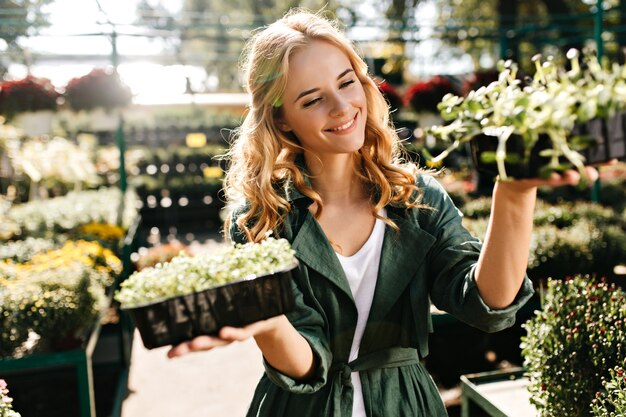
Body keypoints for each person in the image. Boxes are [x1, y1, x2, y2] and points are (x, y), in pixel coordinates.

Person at [167, 9, 600, 416]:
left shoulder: (416, 199)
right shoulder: (263, 217)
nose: (341, 107)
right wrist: (268, 324)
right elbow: (306, 366)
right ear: (282, 120)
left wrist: (514, 192)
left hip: (405, 403)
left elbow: (487, 305)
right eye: (313, 99)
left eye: (347, 82)